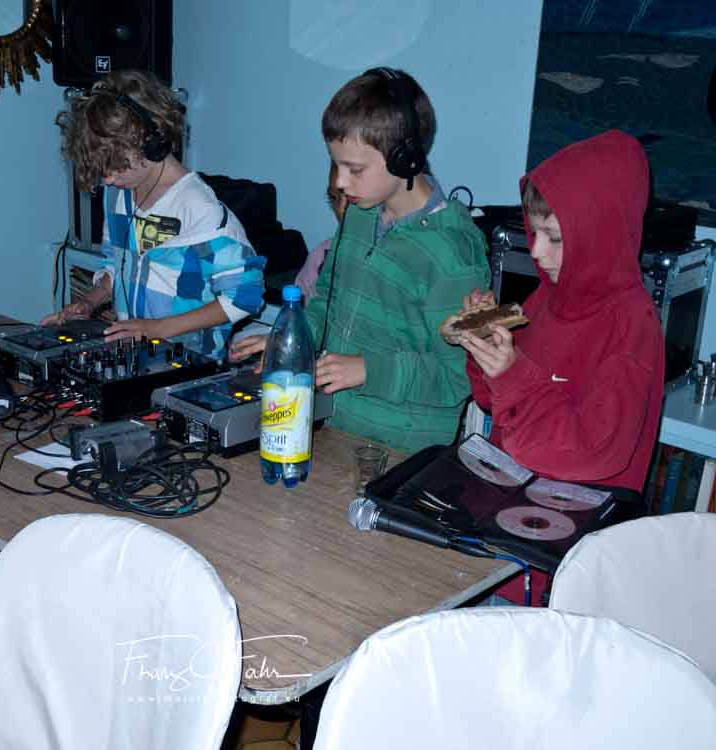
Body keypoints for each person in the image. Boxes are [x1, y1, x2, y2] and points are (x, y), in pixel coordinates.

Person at [454, 129, 664, 604]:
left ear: (601, 236)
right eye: (535, 232)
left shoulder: (632, 328)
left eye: (555, 237)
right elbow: (496, 403)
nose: (536, 251)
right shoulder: (547, 297)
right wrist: (486, 348)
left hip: (556, 569)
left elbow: (585, 451)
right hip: (503, 539)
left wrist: (512, 374)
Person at [231, 68, 490, 453]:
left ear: (405, 159)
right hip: (332, 423)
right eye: (336, 165)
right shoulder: (359, 215)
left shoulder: (452, 252)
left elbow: (459, 375)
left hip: (400, 445)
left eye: (355, 169)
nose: (339, 182)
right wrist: (292, 341)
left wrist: (369, 369)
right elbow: (326, 302)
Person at [41, 69, 266, 361]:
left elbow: (245, 297)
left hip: (189, 362)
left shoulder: (198, 208)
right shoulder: (118, 194)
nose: (107, 179)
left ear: (150, 142)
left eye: (115, 166)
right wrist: (90, 301)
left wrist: (158, 329)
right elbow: (116, 265)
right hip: (136, 357)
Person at [294, 162, 348, 303]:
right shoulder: (323, 253)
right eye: (333, 198)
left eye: (351, 198)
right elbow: (296, 305)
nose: (341, 209)